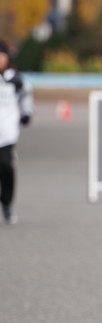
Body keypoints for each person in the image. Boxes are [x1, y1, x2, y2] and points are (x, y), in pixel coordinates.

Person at [0, 40, 33, 225]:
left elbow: (25, 97)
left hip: (7, 131)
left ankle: (6, 203)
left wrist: (26, 114)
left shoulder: (16, 80)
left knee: (5, 165)